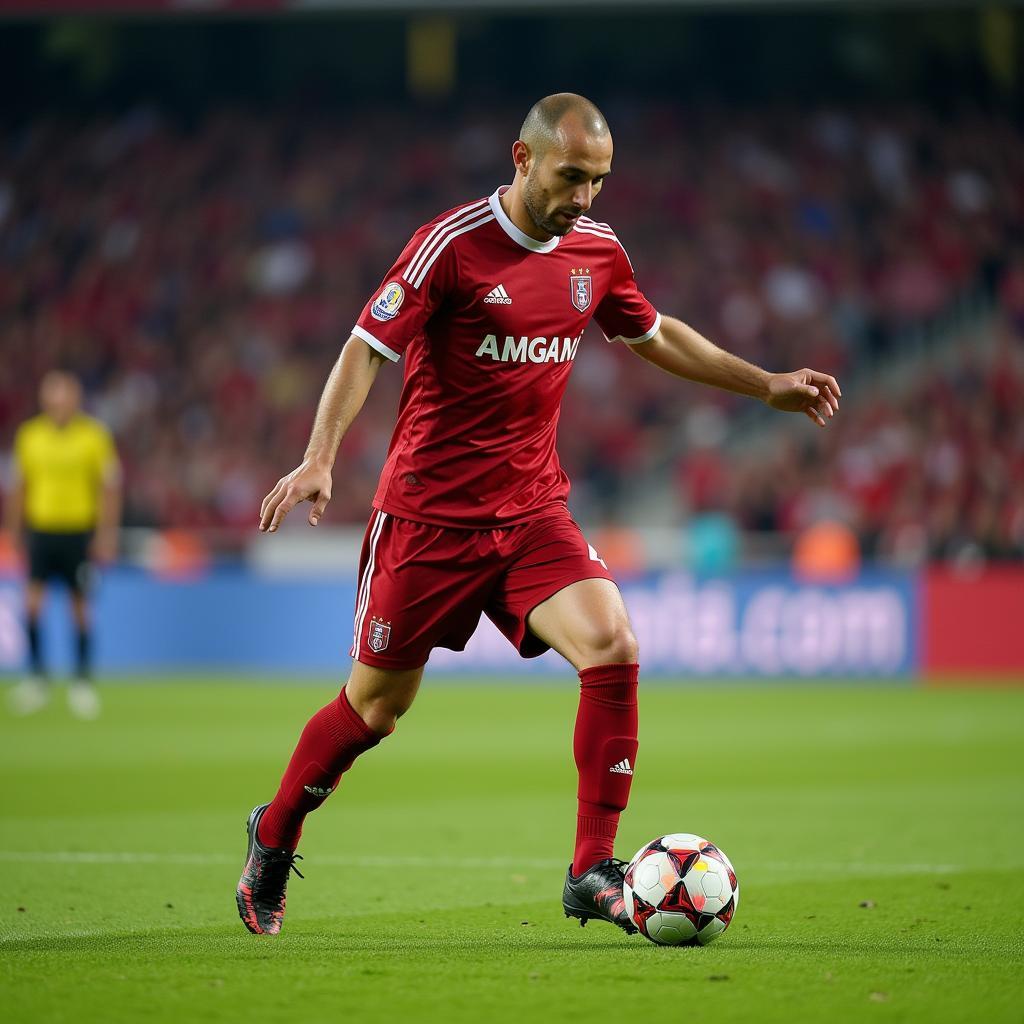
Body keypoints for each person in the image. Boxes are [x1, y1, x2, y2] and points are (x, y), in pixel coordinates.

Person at [236, 94, 841, 936]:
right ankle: (273, 834)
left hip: (530, 515)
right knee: (374, 711)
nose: (585, 198)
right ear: (522, 161)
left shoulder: (596, 251)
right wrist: (319, 456)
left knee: (614, 644)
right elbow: (363, 349)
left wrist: (765, 382)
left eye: (598, 181)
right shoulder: (449, 248)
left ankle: (592, 867)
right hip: (427, 523)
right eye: (570, 177)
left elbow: (654, 333)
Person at [5, 371, 121, 719]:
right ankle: (37, 679)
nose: (57, 401)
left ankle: (82, 682)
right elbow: (18, 486)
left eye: (64, 394)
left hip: (78, 533)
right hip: (41, 531)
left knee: (80, 607)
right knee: (32, 605)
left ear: (75, 398)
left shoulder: (93, 436)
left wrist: (105, 534)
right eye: (51, 395)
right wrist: (13, 532)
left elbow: (109, 488)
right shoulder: (29, 436)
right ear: (44, 399)